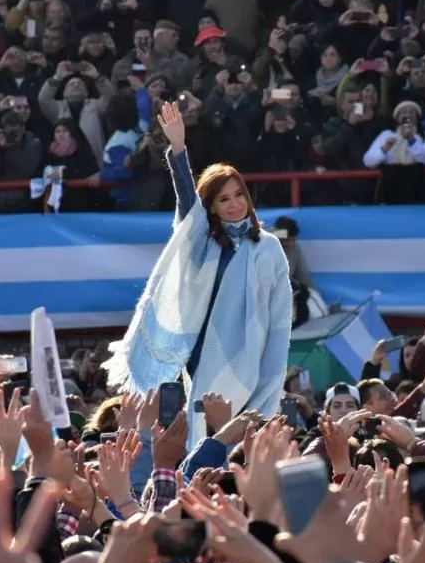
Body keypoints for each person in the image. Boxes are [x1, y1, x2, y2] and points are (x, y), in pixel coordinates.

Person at [102, 102, 292, 446]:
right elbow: (189, 206)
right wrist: (178, 150)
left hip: (254, 357)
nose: (234, 204)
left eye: (239, 196)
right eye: (223, 199)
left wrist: (271, 380)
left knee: (249, 443)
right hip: (205, 354)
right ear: (212, 206)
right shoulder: (204, 244)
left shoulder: (268, 248)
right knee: (207, 442)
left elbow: (280, 322)